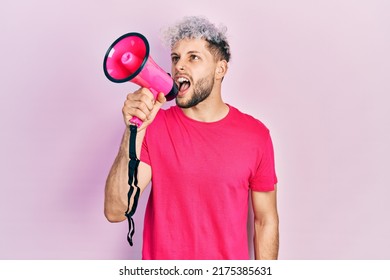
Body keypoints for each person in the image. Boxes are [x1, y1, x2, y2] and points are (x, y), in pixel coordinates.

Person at [104, 16, 279, 260]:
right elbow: (116, 211)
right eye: (175, 58)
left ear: (221, 69)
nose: (179, 67)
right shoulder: (155, 126)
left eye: (193, 57)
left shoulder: (256, 135)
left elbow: (265, 221)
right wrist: (133, 131)